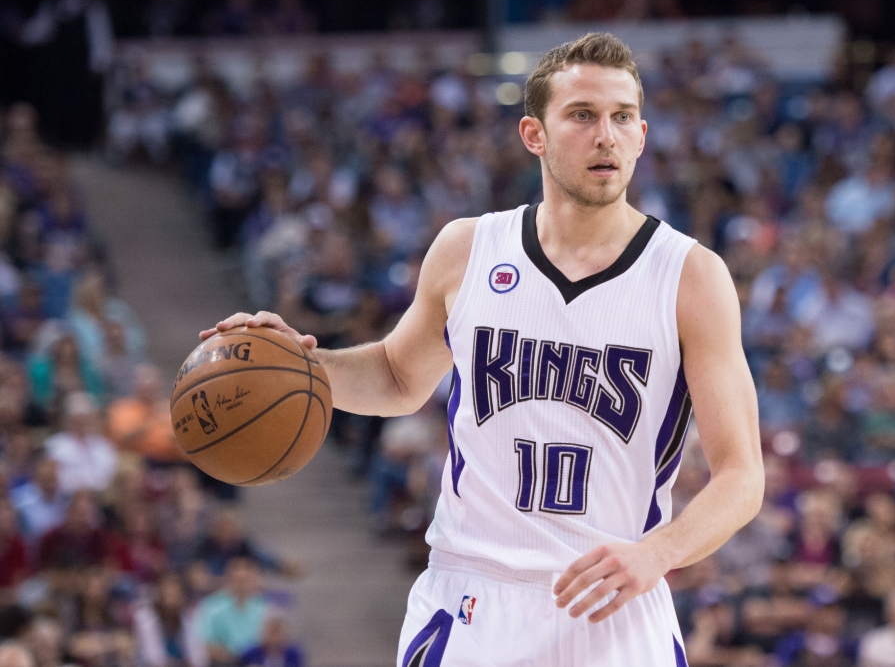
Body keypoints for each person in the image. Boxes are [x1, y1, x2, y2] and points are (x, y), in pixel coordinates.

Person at [203, 33, 763, 665]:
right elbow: (395, 375)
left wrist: (657, 552)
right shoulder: (468, 250)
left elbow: (742, 477)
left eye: (622, 117)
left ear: (640, 135)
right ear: (535, 135)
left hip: (615, 602)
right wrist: (297, 369)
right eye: (582, 115)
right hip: (473, 598)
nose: (605, 134)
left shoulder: (691, 276)